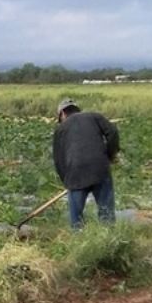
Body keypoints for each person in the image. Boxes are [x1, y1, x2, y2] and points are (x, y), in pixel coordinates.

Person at [53, 98, 120, 229]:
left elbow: (58, 159)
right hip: (100, 168)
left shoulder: (60, 129)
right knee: (106, 212)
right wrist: (110, 154)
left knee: (76, 218)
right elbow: (112, 132)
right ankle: (109, 240)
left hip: (75, 174)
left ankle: (79, 241)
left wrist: (66, 181)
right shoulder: (94, 117)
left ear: (62, 114)